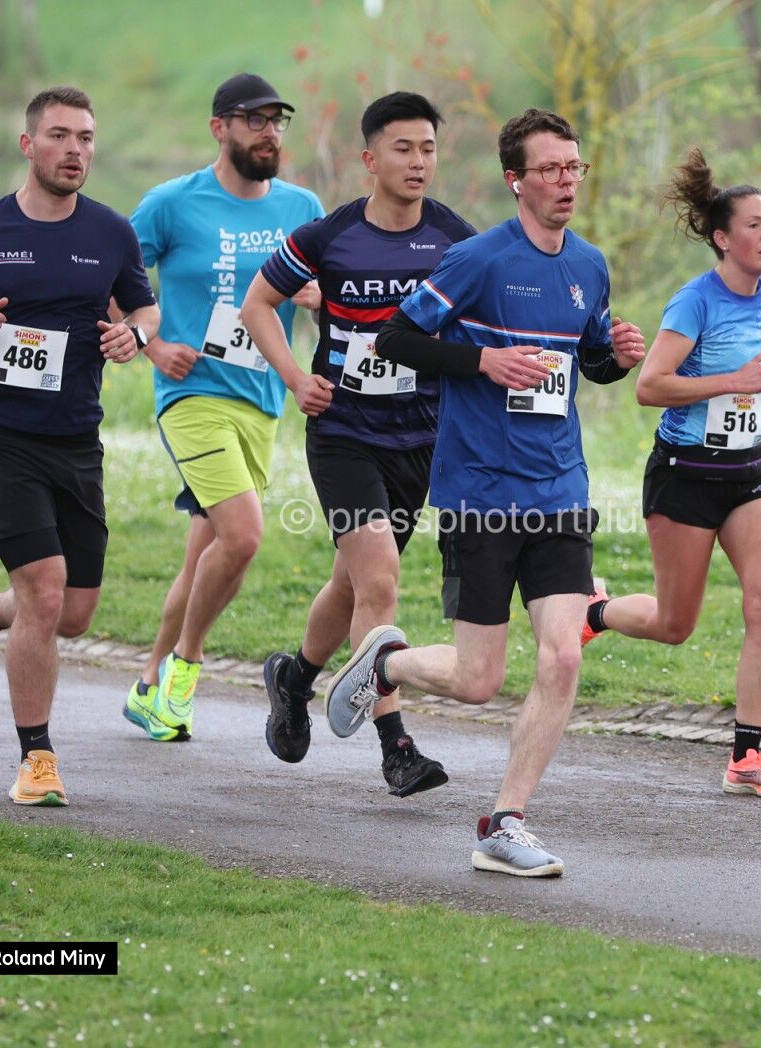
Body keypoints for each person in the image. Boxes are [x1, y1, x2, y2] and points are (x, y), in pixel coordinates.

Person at [322, 108, 646, 877]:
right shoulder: (477, 260)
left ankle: (506, 822)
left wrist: (618, 356)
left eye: (574, 168)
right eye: (550, 169)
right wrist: (482, 362)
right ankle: (388, 663)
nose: (566, 182)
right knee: (479, 680)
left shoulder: (589, 264)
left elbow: (590, 358)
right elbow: (396, 338)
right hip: (481, 492)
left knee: (561, 658)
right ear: (515, 180)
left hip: (560, 487)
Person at [0, 86, 158, 806]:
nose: (75, 150)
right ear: (28, 145)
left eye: (86, 138)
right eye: (59, 136)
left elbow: (145, 308)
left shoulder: (111, 232)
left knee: (72, 613)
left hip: (76, 439)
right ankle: (36, 760)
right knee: (44, 593)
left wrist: (134, 335)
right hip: (0, 438)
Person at [242, 92, 475, 796]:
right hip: (343, 435)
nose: (418, 161)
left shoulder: (456, 240)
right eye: (403, 148)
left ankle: (295, 678)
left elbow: (484, 324)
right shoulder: (328, 236)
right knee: (379, 580)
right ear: (370, 159)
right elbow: (258, 305)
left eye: (428, 148)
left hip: (419, 437)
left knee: (352, 581)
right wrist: (295, 379)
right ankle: (394, 745)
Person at [583, 149, 761, 798]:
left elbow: (751, 371)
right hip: (685, 476)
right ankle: (596, 611)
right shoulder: (694, 302)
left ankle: (747, 756)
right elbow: (651, 386)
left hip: (750, 474)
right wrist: (733, 380)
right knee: (675, 625)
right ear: (722, 238)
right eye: (754, 225)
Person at [122, 73, 324, 742]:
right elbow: (110, 277)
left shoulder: (302, 207)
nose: (269, 132)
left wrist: (320, 300)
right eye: (254, 120)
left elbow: (329, 294)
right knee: (242, 536)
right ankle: (185, 672)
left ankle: (147, 686)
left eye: (277, 121)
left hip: (261, 401)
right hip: (192, 397)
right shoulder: (171, 204)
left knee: (203, 557)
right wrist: (152, 344)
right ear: (220, 128)